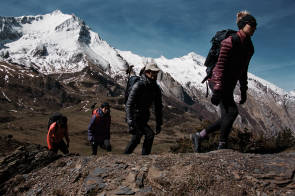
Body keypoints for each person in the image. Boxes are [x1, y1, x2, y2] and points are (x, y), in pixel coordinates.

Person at [191, 11, 257, 152]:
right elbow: (220, 65)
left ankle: (199, 136)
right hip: (217, 80)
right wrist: (218, 88)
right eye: (251, 24)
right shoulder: (230, 41)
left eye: (255, 25)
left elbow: (244, 70)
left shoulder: (249, 48)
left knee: (227, 116)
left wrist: (243, 90)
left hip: (228, 84)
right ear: (242, 25)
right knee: (232, 113)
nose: (254, 27)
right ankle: (222, 145)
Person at [124, 63, 163, 155]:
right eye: (153, 72)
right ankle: (143, 157)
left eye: (156, 72)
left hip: (143, 116)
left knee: (139, 137)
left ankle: (137, 156)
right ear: (147, 72)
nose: (155, 75)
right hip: (134, 116)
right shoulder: (138, 85)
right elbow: (129, 104)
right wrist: (130, 121)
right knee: (144, 136)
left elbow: (158, 107)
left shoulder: (156, 88)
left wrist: (159, 123)